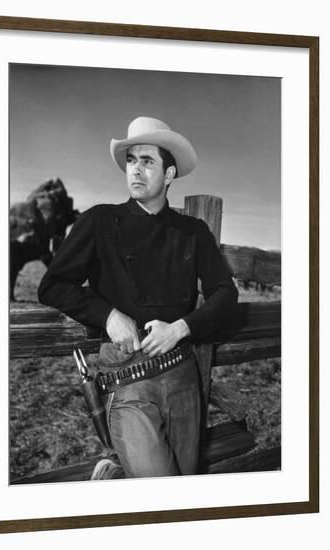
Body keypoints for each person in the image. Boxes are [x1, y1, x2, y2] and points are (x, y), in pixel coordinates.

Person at [38, 116, 238, 479]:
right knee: (159, 491)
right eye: (131, 160)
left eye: (148, 162)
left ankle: (116, 482)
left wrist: (180, 328)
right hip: (126, 376)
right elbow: (52, 285)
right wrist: (108, 315)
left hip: (182, 376)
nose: (136, 170)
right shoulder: (100, 221)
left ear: (170, 173)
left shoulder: (192, 231)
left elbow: (226, 294)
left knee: (185, 491)